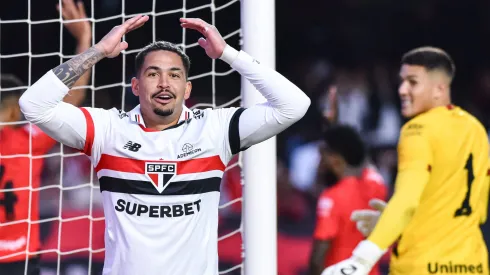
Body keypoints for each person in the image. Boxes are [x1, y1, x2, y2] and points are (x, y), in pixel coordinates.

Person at [18, 14, 310, 275]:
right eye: (153, 73)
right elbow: (33, 104)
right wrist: (97, 51)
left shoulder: (213, 129)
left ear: (187, 88)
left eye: (174, 75)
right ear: (135, 86)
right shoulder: (108, 129)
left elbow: (294, 105)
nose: (164, 83)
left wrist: (229, 55)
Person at [321, 47, 490, 275]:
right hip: (472, 264)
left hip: (422, 266)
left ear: (439, 88)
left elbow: (407, 200)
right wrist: (394, 224)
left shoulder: (417, 130)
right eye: (402, 81)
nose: (402, 90)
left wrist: (362, 258)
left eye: (412, 82)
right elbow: (464, 208)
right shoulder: (475, 128)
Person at [0, 1, 91, 274]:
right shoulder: (28, 140)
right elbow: (72, 100)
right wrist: (85, 38)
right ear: (16, 107)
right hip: (20, 255)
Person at [308, 125, 387, 275]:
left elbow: (317, 258)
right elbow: (358, 154)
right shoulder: (376, 185)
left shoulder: (331, 198)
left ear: (334, 159)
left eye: (322, 156)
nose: (318, 163)